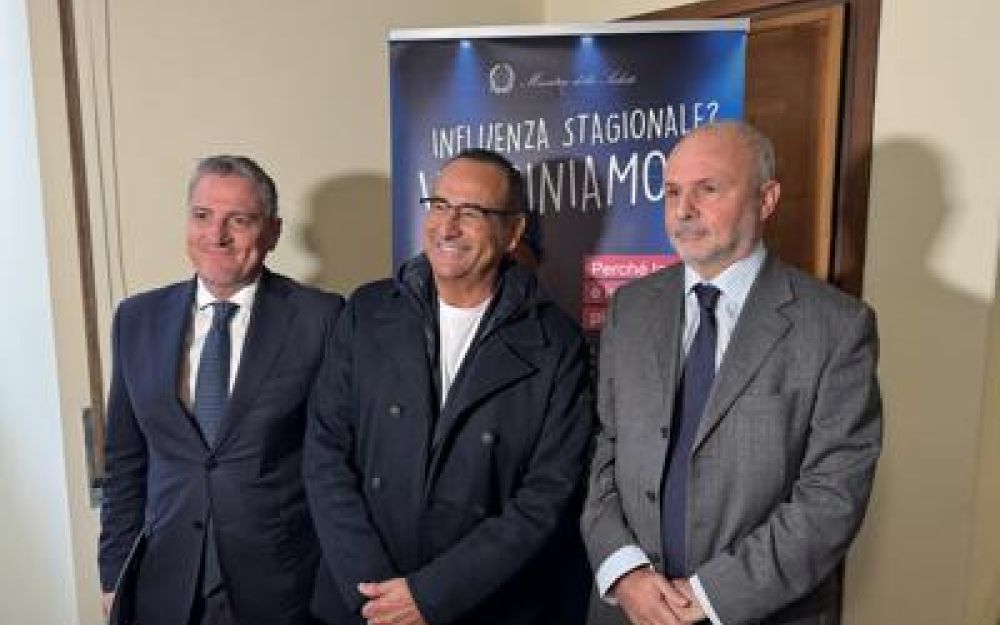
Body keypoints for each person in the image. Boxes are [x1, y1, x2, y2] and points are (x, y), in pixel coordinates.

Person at [582, 121, 883, 625]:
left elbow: (832, 496)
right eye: (672, 192)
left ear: (766, 200)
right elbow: (604, 449)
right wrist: (623, 571)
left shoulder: (837, 326)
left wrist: (709, 596)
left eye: (708, 189)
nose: (683, 210)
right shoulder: (629, 309)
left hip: (761, 613)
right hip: (628, 609)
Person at [303, 148, 593, 625]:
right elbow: (325, 453)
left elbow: (547, 495)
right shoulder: (367, 312)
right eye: (439, 205)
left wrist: (429, 597)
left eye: (471, 212)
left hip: (485, 606)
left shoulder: (555, 343)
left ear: (513, 232)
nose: (448, 226)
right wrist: (375, 593)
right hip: (362, 602)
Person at [98, 155, 344, 625]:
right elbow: (125, 462)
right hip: (164, 584)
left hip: (283, 587)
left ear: (272, 232)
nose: (217, 235)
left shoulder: (321, 318)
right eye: (202, 215)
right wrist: (113, 576)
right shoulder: (137, 318)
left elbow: (336, 462)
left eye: (240, 220)